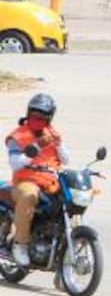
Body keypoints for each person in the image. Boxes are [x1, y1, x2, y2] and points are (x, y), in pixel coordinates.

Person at [4, 94, 69, 268]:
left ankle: (63, 261)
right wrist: (37, 146)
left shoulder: (52, 133)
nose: (37, 118)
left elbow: (65, 160)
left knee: (71, 200)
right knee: (29, 195)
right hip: (25, 182)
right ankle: (20, 244)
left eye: (42, 116)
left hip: (50, 183)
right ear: (28, 113)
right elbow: (15, 163)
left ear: (49, 117)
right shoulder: (18, 136)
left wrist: (59, 144)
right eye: (34, 114)